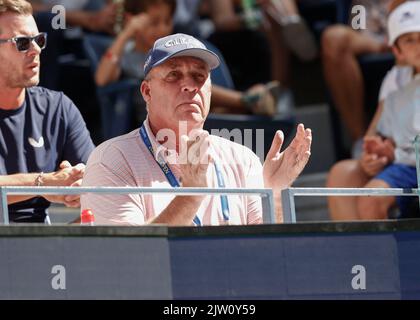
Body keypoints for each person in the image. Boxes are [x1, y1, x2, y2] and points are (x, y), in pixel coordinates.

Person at [81, 33, 312, 226]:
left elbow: (267, 254)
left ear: (210, 91)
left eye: (199, 76)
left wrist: (275, 196)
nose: (190, 86)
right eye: (174, 75)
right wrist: (190, 195)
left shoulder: (243, 159)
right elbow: (129, 258)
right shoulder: (111, 159)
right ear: (147, 92)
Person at [95, 0, 280, 120]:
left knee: (194, 87)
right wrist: (127, 32)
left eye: (167, 21)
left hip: (193, 112)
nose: (162, 29)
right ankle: (248, 99)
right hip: (161, 118)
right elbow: (102, 79)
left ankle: (252, 101)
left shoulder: (175, 51)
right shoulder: (125, 55)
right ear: (132, 20)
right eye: (153, 23)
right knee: (183, 84)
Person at [0, 0, 95, 223]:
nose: (35, 50)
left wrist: (81, 186)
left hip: (39, 247)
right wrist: (43, 183)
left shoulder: (58, 108)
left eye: (39, 40)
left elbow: (100, 182)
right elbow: (48, 183)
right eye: (22, 43)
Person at [326, 0, 420, 221]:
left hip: (407, 160)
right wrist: (374, 155)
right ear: (397, 51)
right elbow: (374, 136)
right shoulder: (395, 82)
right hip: (406, 164)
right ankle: (363, 255)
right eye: (409, 40)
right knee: (342, 174)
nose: (417, 46)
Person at [322, 0, 393, 157]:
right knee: (334, 38)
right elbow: (357, 28)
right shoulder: (359, 6)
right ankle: (361, 142)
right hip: (372, 40)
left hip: (410, 37)